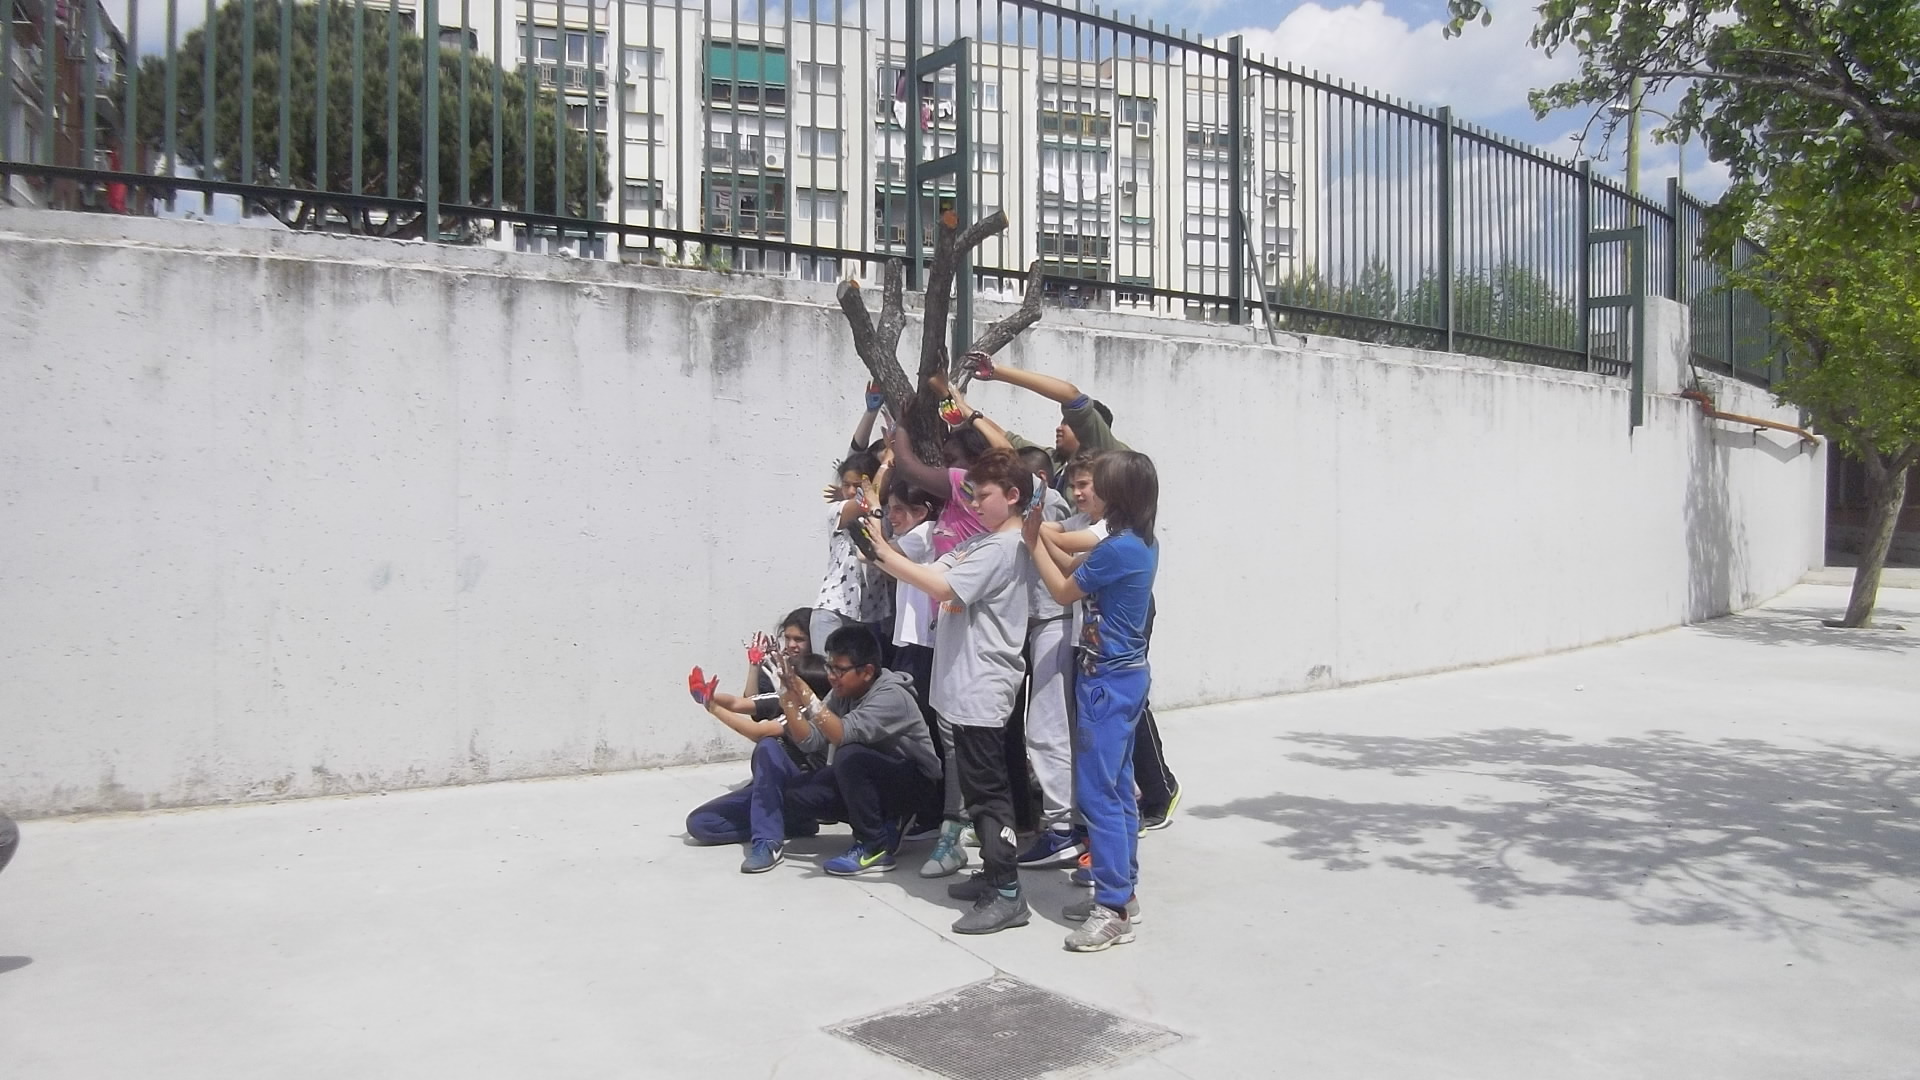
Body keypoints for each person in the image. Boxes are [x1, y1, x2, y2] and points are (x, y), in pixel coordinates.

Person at [970, 354, 1182, 831]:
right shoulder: (1070, 478)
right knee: (1101, 737)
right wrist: (968, 411)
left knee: (1121, 719)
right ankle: (1115, 811)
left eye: (1067, 425)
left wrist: (998, 373)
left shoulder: (1112, 485)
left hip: (1114, 633)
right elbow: (1018, 456)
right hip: (1093, 631)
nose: (1059, 429)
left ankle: (1148, 794)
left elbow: (1064, 566)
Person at [865, 447, 1035, 935]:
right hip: (961, 684)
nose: (975, 504)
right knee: (979, 790)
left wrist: (882, 551)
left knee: (988, 794)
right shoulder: (982, 543)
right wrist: (886, 547)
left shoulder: (1005, 549)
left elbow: (941, 591)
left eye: (982, 496)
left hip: (983, 686)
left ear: (1013, 496)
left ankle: (1008, 893)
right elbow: (938, 573)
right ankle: (991, 875)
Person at [1027, 450, 1160, 952]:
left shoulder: (1119, 548)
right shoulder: (1134, 544)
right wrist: (1040, 532)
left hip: (1105, 682)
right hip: (1121, 678)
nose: (1088, 493)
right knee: (1119, 788)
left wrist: (1029, 537)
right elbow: (1070, 563)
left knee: (1099, 795)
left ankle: (1112, 909)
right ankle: (1122, 892)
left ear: (1119, 495)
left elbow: (1062, 589)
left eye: (1097, 486)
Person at [775, 627, 944, 876]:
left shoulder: (891, 695)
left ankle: (873, 846)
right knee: (796, 794)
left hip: (915, 782)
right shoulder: (843, 691)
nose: (832, 676)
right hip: (869, 776)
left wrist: (804, 691)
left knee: (849, 754)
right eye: (830, 667)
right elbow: (810, 741)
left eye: (839, 670)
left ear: (867, 672)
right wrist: (787, 696)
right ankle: (886, 822)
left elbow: (841, 734)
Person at [684, 652, 838, 872]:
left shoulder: (810, 713)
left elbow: (757, 732)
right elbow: (738, 703)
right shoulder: (781, 699)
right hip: (768, 790)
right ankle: (789, 823)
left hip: (800, 789)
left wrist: (713, 708)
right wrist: (709, 695)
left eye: (790, 680)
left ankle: (768, 842)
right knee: (700, 823)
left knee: (768, 745)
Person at [1010, 444, 1082, 866]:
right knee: (1051, 727)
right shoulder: (1043, 504)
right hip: (1043, 624)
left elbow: (1056, 555)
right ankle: (1068, 824)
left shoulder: (1049, 501)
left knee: (1047, 728)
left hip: (1054, 622)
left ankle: (1061, 831)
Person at [812, 448, 892, 652]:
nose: (849, 491)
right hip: (834, 609)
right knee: (826, 678)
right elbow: (869, 498)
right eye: (845, 485)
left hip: (871, 614)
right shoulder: (838, 510)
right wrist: (887, 462)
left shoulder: (889, 514)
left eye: (856, 485)